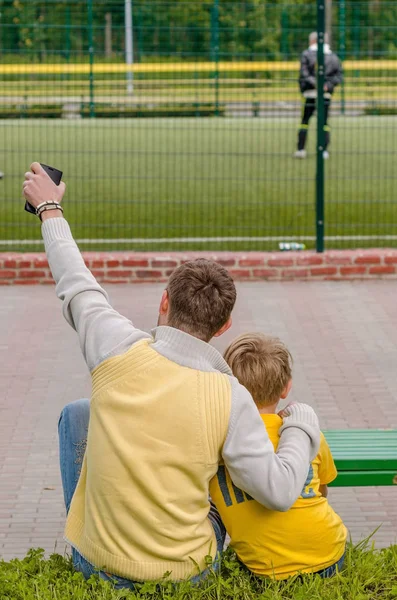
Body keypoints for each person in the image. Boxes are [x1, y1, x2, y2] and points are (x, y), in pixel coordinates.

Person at [22, 162, 320, 589]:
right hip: (188, 576)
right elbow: (277, 490)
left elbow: (75, 280)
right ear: (224, 327)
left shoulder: (116, 347)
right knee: (84, 413)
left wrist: (49, 206)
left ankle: (90, 543)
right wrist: (301, 428)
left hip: (99, 566)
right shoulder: (230, 397)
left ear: (164, 302)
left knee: (78, 415)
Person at [210, 333, 348, 579]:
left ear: (227, 386)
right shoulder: (306, 434)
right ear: (286, 387)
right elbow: (323, 489)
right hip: (330, 553)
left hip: (265, 569)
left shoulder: (216, 439)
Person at [294, 32, 343, 160]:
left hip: (310, 93)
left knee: (305, 121)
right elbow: (338, 76)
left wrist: (316, 84)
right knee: (324, 122)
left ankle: (301, 149)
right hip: (325, 94)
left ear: (312, 41)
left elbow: (304, 73)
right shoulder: (333, 56)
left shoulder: (306, 54)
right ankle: (323, 150)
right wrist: (326, 86)